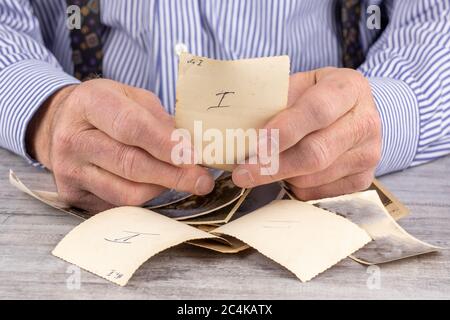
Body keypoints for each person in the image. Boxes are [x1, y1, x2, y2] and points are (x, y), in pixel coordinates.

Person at [1, 0, 449, 212]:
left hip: (320, 202)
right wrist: (48, 112)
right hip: (92, 204)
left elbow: (437, 17)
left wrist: (374, 114)